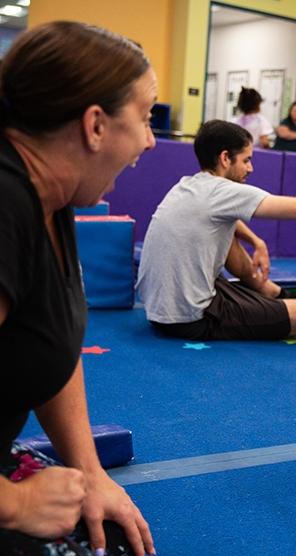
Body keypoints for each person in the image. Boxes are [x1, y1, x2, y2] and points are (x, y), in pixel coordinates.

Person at [0, 21, 156, 555]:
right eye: (145, 117)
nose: (151, 140)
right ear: (94, 126)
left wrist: (90, 472)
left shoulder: (55, 197)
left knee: (110, 532)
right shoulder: (5, 208)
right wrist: (14, 504)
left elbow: (51, 342)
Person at [136, 120, 296, 341]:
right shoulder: (224, 190)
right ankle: (282, 299)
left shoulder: (187, 185)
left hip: (158, 309)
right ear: (225, 158)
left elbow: (221, 220)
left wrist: (256, 240)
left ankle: (275, 293)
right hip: (191, 317)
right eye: (246, 160)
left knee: (227, 230)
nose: (250, 168)